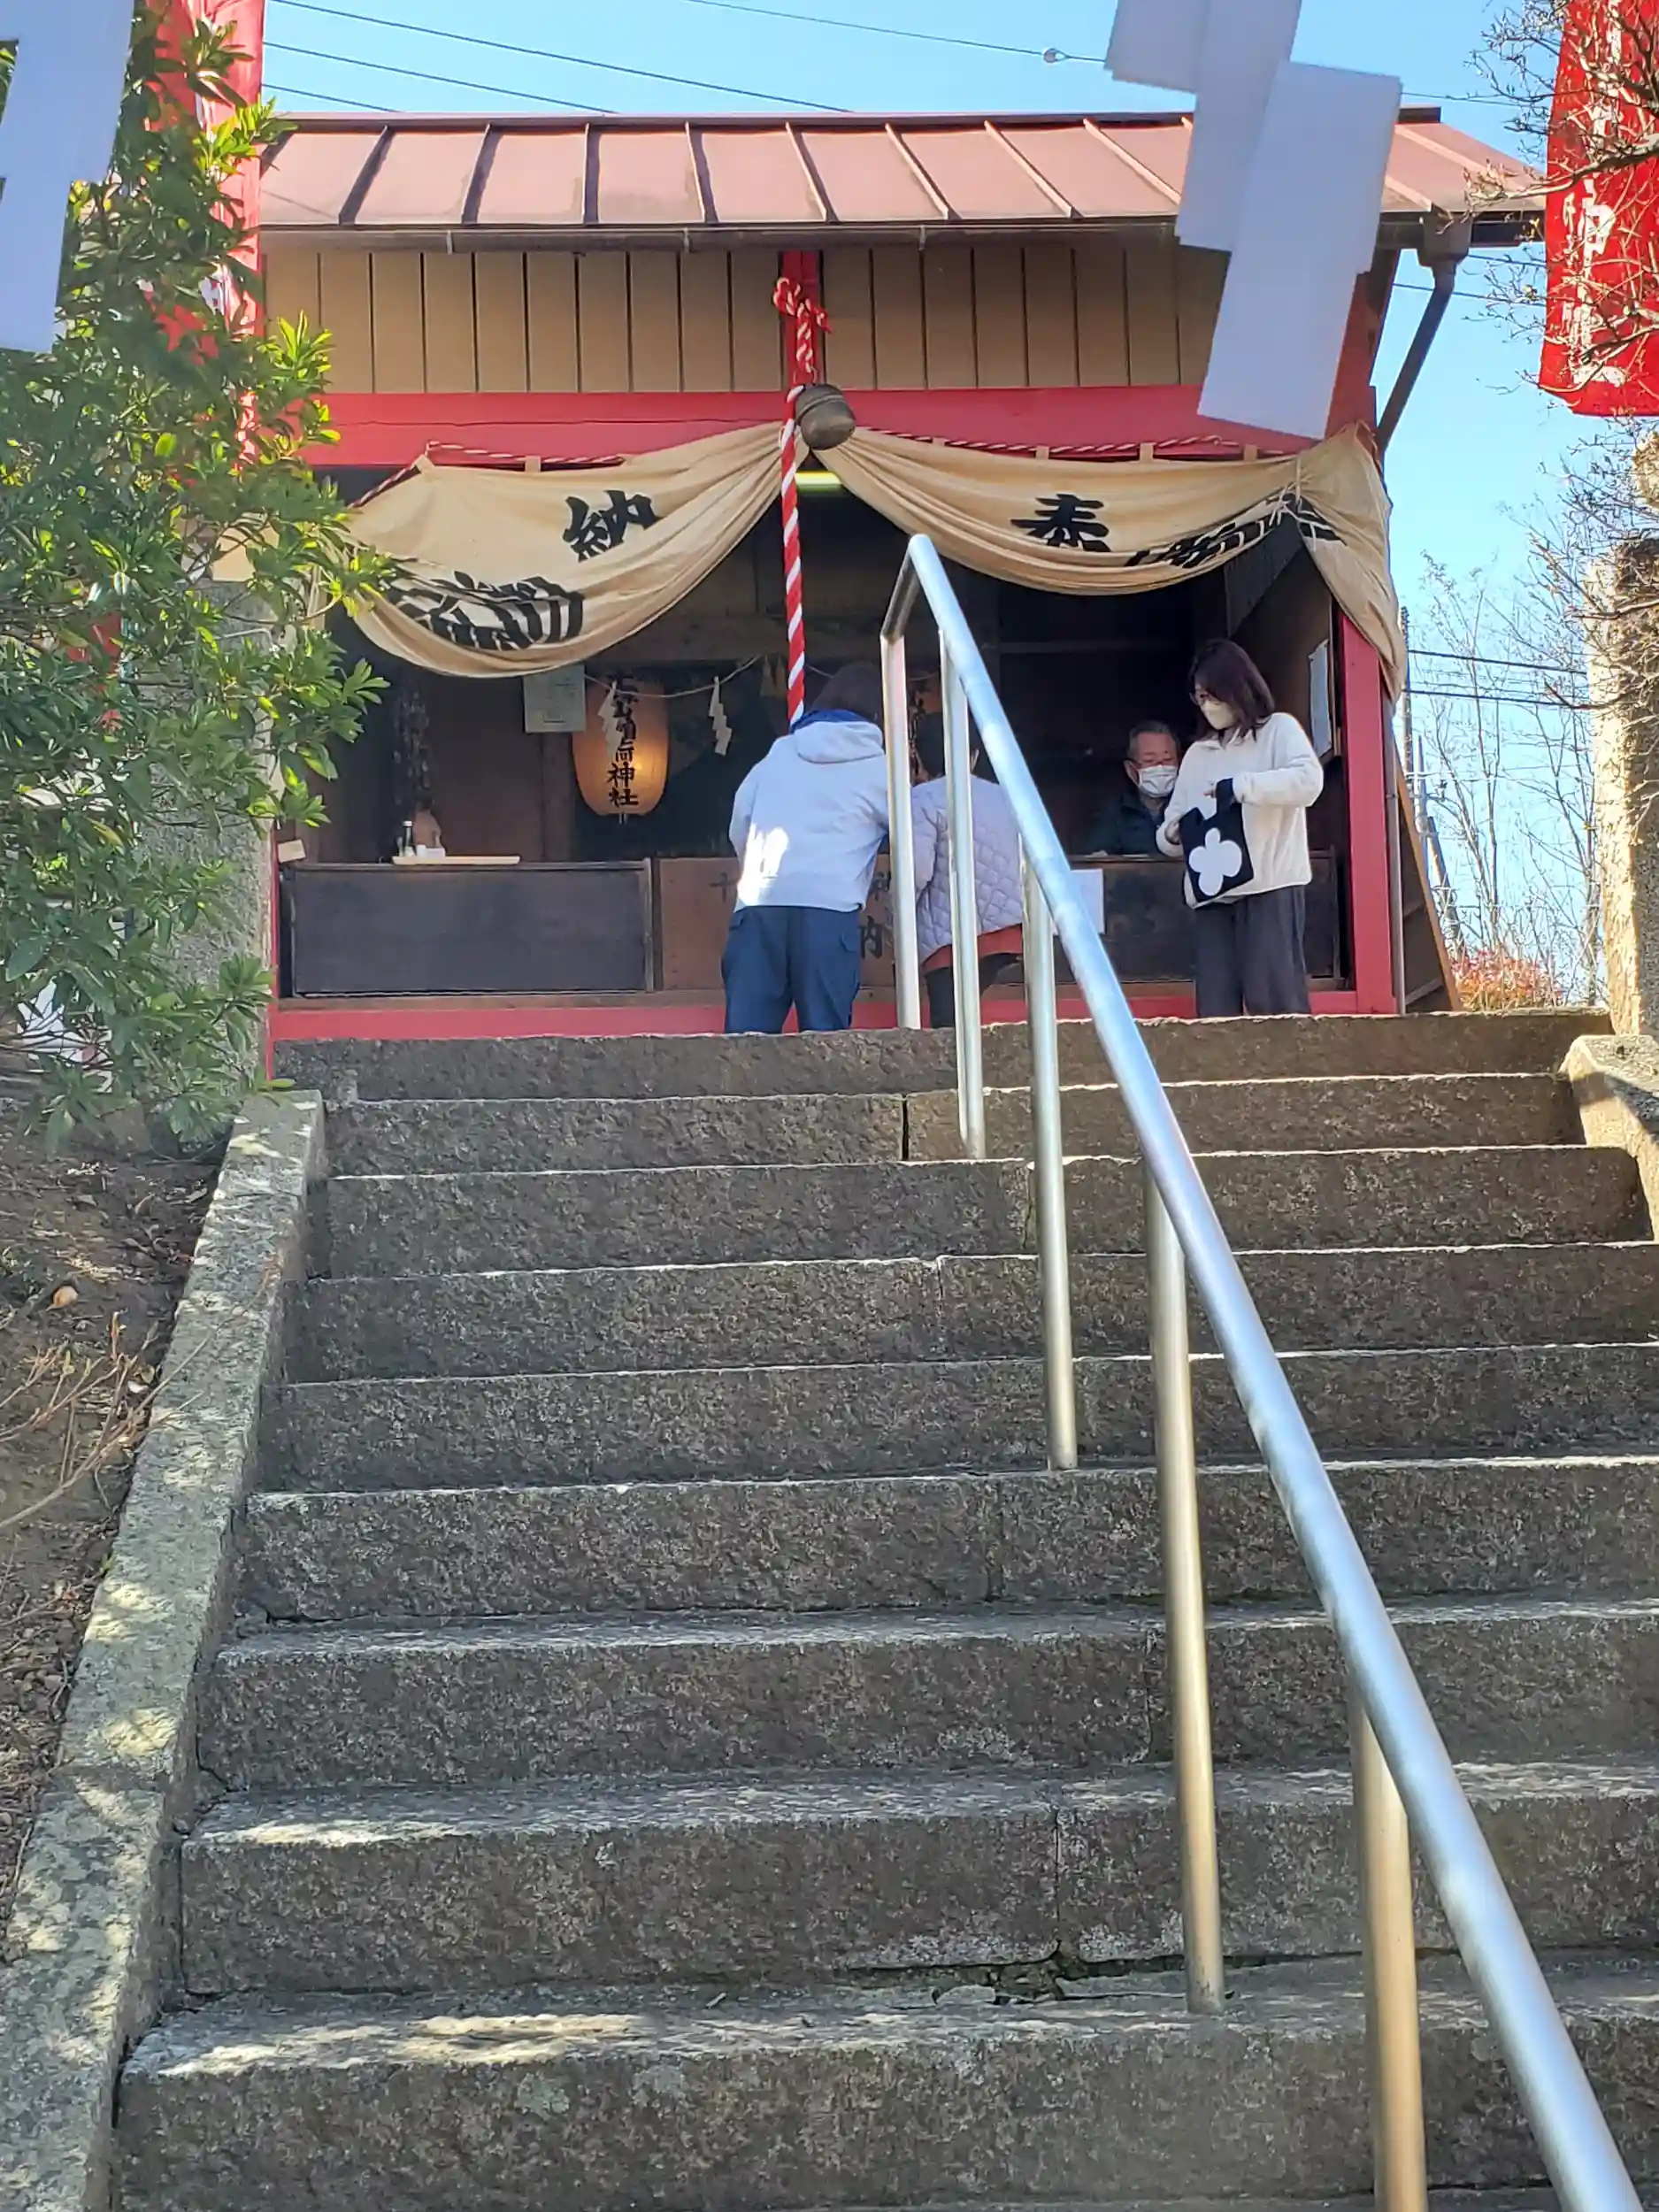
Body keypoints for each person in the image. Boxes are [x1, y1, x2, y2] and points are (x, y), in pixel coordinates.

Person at [1156, 638, 1323, 1018]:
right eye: (1199, 697)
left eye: (1212, 695)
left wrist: (1243, 787)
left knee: (1278, 1008)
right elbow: (1170, 822)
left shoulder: (1278, 731)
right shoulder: (1198, 754)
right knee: (1216, 1014)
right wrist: (1172, 835)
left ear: (1236, 688)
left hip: (1270, 886)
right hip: (1211, 892)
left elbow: (1309, 782)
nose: (1206, 705)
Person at [722, 663, 890, 1033]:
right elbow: (911, 838)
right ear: (880, 715)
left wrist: (758, 872)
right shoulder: (882, 770)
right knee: (824, 1042)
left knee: (742, 1046)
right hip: (829, 908)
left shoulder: (780, 752)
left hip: (760, 902)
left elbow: (740, 821)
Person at [911, 713, 1025, 1028]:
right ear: (973, 755)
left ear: (919, 758)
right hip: (1009, 935)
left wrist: (897, 917)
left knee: (949, 1035)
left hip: (946, 942)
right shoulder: (1005, 796)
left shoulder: (921, 800)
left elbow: (916, 872)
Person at [1079, 720, 1183, 856]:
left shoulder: (1189, 807)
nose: (1160, 767)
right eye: (1150, 761)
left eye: (1167, 760)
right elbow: (1096, 859)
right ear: (1130, 769)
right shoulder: (1115, 815)